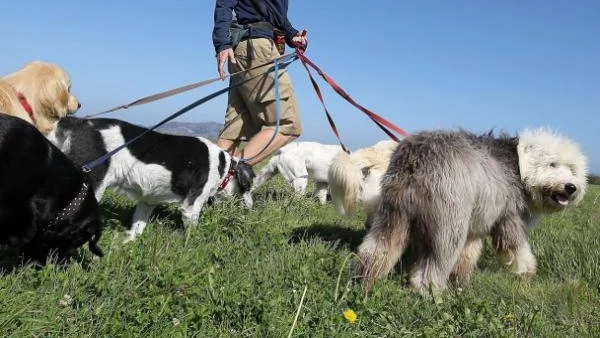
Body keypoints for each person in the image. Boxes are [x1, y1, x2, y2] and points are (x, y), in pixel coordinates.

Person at [212, 0, 308, 166]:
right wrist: (222, 43)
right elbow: (225, 3)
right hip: (257, 49)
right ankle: (231, 177)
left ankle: (205, 185)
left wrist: (292, 36)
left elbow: (278, 18)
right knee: (287, 124)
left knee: (235, 127)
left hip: (246, 49)